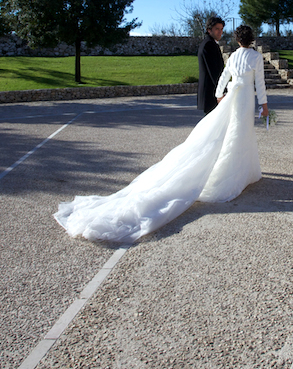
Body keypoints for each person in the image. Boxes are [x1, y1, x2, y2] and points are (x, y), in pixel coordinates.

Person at [54, 25, 269, 243]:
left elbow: (224, 76)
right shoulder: (255, 57)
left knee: (230, 133)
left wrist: (218, 94)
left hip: (231, 96)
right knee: (240, 133)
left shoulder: (232, 56)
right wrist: (265, 105)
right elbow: (259, 83)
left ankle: (241, 172)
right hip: (244, 100)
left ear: (237, 39)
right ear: (251, 39)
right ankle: (237, 174)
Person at [197, 15, 225, 114]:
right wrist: (220, 92)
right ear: (209, 30)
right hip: (211, 94)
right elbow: (214, 71)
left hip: (211, 94)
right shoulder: (209, 45)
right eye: (217, 29)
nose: (220, 31)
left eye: (221, 29)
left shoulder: (210, 43)